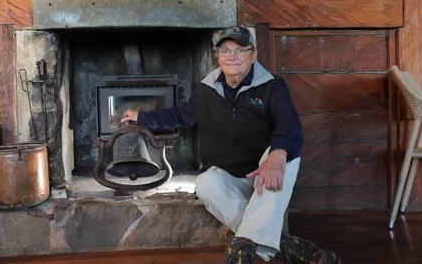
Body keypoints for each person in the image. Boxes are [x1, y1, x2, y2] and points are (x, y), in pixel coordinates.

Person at [120, 26, 340, 264]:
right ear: (218, 57)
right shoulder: (207, 88)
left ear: (253, 55)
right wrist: (141, 117)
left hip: (263, 173)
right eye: (225, 51)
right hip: (228, 175)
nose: (231, 56)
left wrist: (276, 156)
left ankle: (239, 257)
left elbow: (289, 125)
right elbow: (181, 115)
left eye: (239, 50)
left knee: (280, 155)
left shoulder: (272, 86)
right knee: (205, 183)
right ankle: (286, 247)